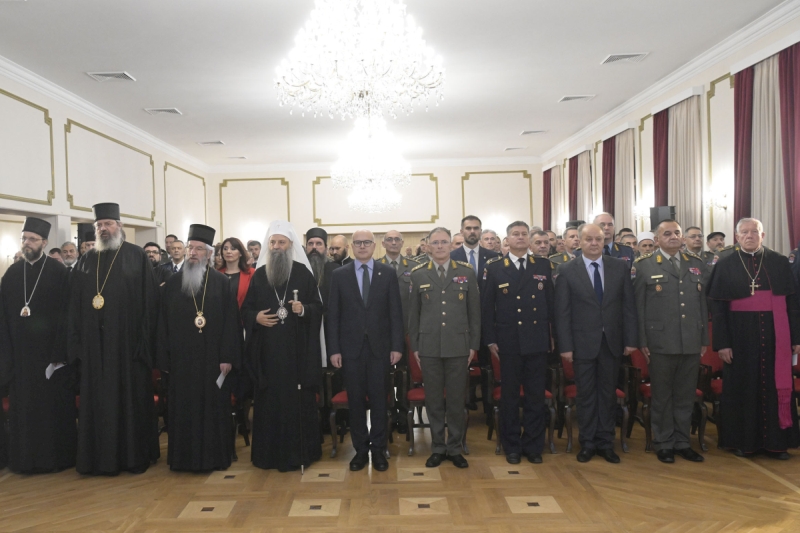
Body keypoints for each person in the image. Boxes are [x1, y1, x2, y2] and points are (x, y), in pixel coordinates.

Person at [68, 203, 159, 475]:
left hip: (128, 347)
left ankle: (132, 457)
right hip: (95, 348)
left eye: (108, 223)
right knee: (98, 402)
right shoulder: (86, 260)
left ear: (119, 226)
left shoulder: (136, 256)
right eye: (99, 225)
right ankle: (98, 459)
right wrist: (79, 343)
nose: (103, 228)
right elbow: (75, 305)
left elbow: (150, 302)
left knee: (129, 401)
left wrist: (144, 342)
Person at [707, 218, 800, 459]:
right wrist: (723, 343)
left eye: (754, 232)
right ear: (737, 237)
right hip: (739, 337)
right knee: (743, 387)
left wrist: (796, 337)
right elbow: (718, 309)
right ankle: (744, 442)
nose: (750, 236)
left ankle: (776, 444)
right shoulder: (725, 264)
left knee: (774, 385)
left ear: (763, 235)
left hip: (775, 335)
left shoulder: (779, 261)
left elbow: (792, 303)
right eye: (744, 232)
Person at [156, 224, 240, 472]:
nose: (192, 252)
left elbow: (231, 323)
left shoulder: (222, 283)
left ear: (209, 253)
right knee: (183, 409)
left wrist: (227, 357)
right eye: (190, 247)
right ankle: (183, 459)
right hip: (181, 361)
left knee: (213, 408)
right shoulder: (173, 284)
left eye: (198, 249)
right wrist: (164, 359)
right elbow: (162, 324)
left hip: (213, 359)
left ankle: (215, 457)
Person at [242, 221, 323, 472]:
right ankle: (267, 456)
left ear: (290, 245)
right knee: (269, 405)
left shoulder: (302, 273)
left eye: (281, 242)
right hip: (267, 356)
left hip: (296, 355)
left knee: (296, 404)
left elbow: (318, 307)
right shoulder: (259, 275)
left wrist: (304, 309)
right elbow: (245, 309)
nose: (276, 247)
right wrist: (255, 317)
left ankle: (300, 453)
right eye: (273, 242)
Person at [555, 223, 637, 464]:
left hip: (611, 342)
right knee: (586, 395)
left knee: (608, 394)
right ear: (579, 242)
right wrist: (565, 346)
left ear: (604, 241)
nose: (594, 243)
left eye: (598, 239)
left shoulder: (619, 267)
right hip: (581, 343)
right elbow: (562, 312)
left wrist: (631, 340)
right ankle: (588, 443)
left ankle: (606, 442)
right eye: (588, 239)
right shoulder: (567, 270)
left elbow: (628, 306)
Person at [0, 217, 76, 474]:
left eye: (32, 239)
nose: (27, 243)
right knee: (24, 410)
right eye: (24, 238)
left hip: (49, 358)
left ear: (44, 242)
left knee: (50, 410)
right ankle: (24, 460)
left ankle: (54, 459)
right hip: (20, 359)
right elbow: (3, 319)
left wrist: (59, 354)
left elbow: (68, 317)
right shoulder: (12, 274)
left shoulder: (59, 273)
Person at [327, 229, 404, 472]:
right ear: (351, 247)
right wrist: (334, 349)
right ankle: (360, 450)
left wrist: (397, 346)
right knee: (356, 402)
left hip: (381, 349)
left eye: (366, 242)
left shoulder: (387, 273)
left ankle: (379, 450)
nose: (362, 246)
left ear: (374, 246)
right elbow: (333, 316)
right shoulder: (339, 275)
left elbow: (395, 312)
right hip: (351, 350)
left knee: (380, 401)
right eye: (358, 243)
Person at [633, 220, 707, 463]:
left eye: (677, 232)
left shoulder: (696, 263)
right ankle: (664, 442)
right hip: (660, 341)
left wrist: (704, 338)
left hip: (691, 340)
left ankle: (683, 442)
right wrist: (642, 340)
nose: (673, 236)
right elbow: (638, 307)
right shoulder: (643, 265)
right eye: (667, 233)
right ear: (657, 240)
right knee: (663, 396)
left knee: (685, 395)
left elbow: (702, 304)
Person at [482, 221, 554, 465]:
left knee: (535, 396)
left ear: (530, 239)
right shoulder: (494, 268)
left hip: (536, 340)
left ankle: (533, 446)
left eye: (524, 234)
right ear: (507, 239)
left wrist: (553, 337)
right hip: (508, 341)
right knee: (510, 397)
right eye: (515, 234)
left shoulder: (543, 265)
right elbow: (487, 309)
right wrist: (490, 339)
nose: (520, 237)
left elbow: (552, 305)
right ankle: (511, 445)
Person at [408, 227, 479, 469]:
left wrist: (473, 345)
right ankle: (438, 447)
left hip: (459, 346)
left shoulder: (466, 272)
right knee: (435, 400)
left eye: (444, 242)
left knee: (457, 400)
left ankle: (455, 448)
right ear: (428, 246)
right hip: (429, 347)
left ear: (451, 245)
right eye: (435, 242)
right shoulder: (418, 274)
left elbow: (474, 313)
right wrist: (415, 346)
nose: (440, 246)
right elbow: (414, 315)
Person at [451, 216, 500, 283]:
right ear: (462, 232)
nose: (472, 231)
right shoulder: (451, 257)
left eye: (476, 228)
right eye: (468, 228)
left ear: (480, 231)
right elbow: (451, 281)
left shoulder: (493, 257)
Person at [306, 227, 339, 308]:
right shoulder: (300, 270)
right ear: (306, 247)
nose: (314, 247)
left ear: (326, 248)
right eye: (310, 244)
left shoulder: (336, 270)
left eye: (318, 244)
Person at [219, 237, 254, 309]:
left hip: (243, 314)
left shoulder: (251, 273)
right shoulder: (217, 274)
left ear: (240, 253)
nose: (228, 251)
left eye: (233, 249)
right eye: (225, 249)